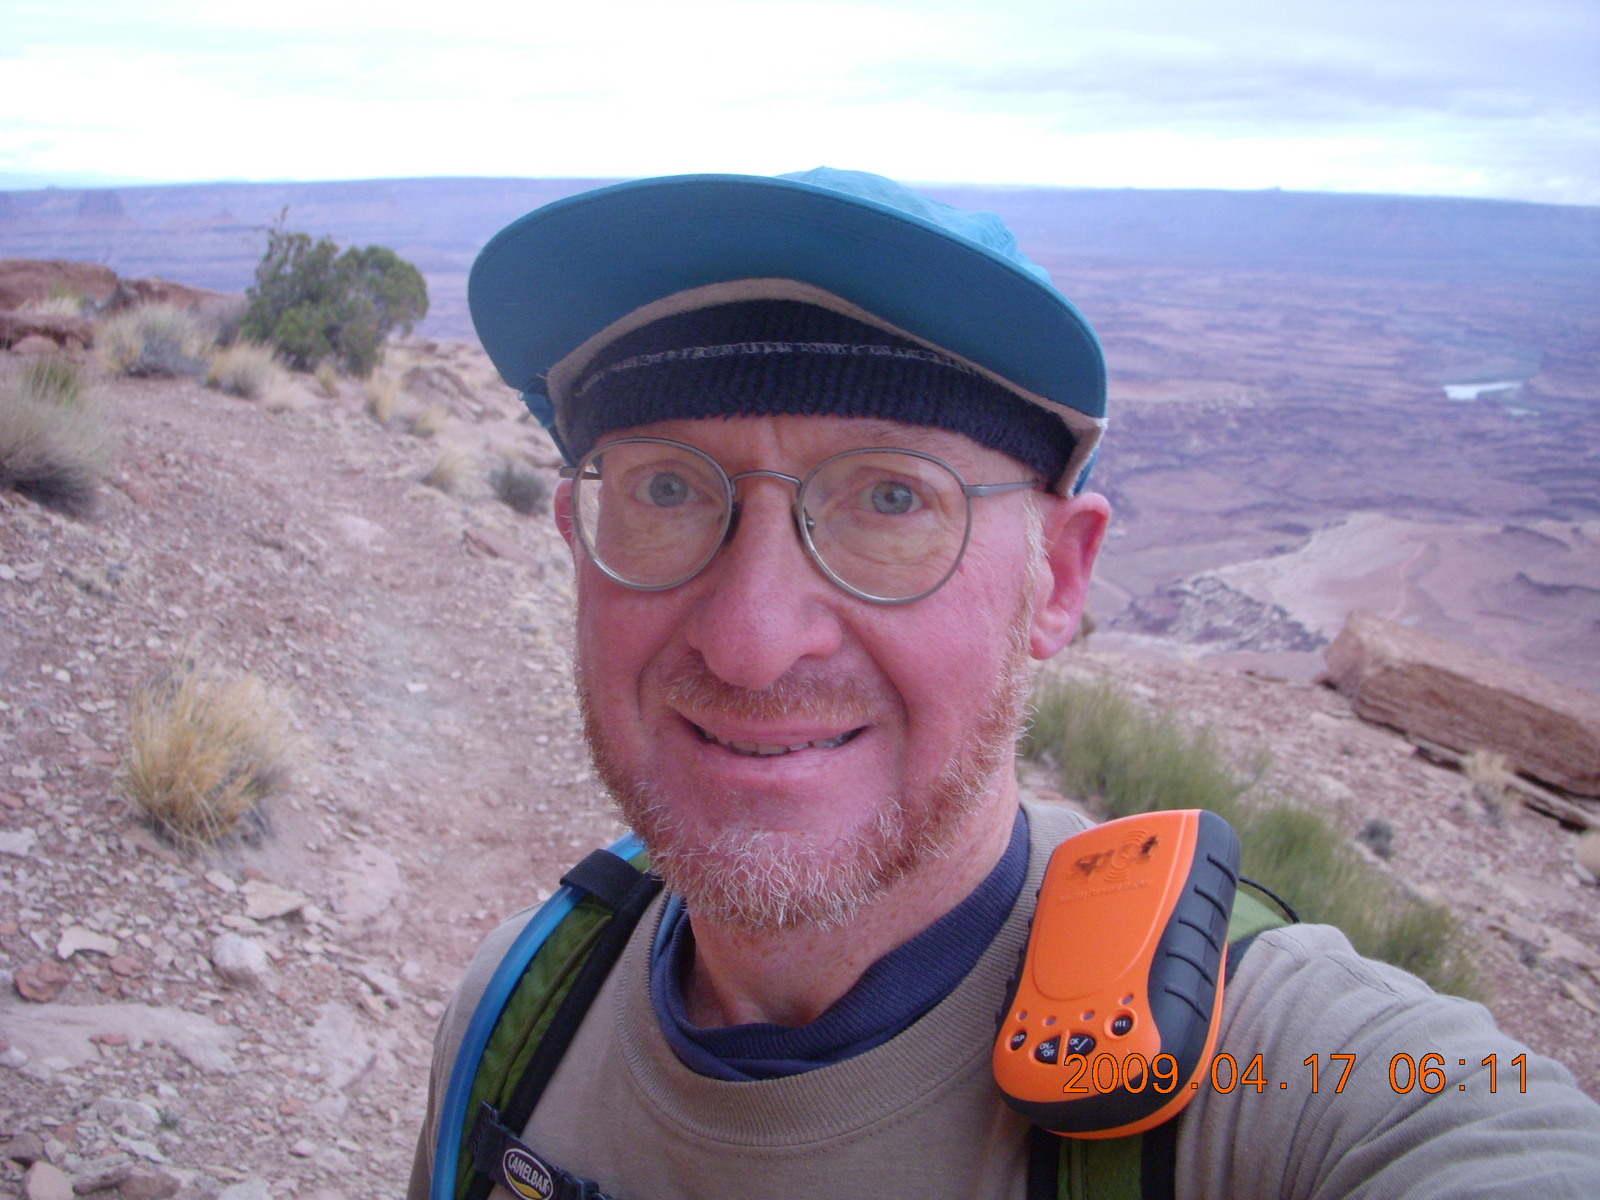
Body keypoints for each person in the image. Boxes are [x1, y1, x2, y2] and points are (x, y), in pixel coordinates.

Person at [411, 169, 1600, 1200]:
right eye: (667, 492)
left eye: (889, 499)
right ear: (575, 542)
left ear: (1058, 579)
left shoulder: (1291, 1078)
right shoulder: (515, 1015)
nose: (751, 643)